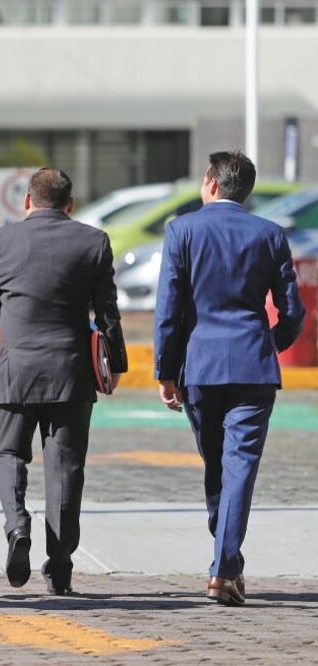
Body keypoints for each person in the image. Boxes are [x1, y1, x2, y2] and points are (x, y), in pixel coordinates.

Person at [0, 167, 127, 595]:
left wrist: (12, 318)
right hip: (72, 373)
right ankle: (60, 566)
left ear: (27, 202)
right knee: (66, 469)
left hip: (17, 369)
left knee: (10, 455)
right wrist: (117, 365)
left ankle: (18, 527)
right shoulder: (93, 242)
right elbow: (108, 313)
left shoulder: (1, 241)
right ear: (70, 205)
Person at [154, 151, 305, 606]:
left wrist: (166, 371)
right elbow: (294, 311)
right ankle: (226, 565)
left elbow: (169, 309)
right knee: (237, 468)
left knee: (219, 465)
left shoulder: (182, 230)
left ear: (212, 184)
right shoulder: (271, 234)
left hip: (199, 366)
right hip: (253, 367)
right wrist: (269, 343)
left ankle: (224, 564)